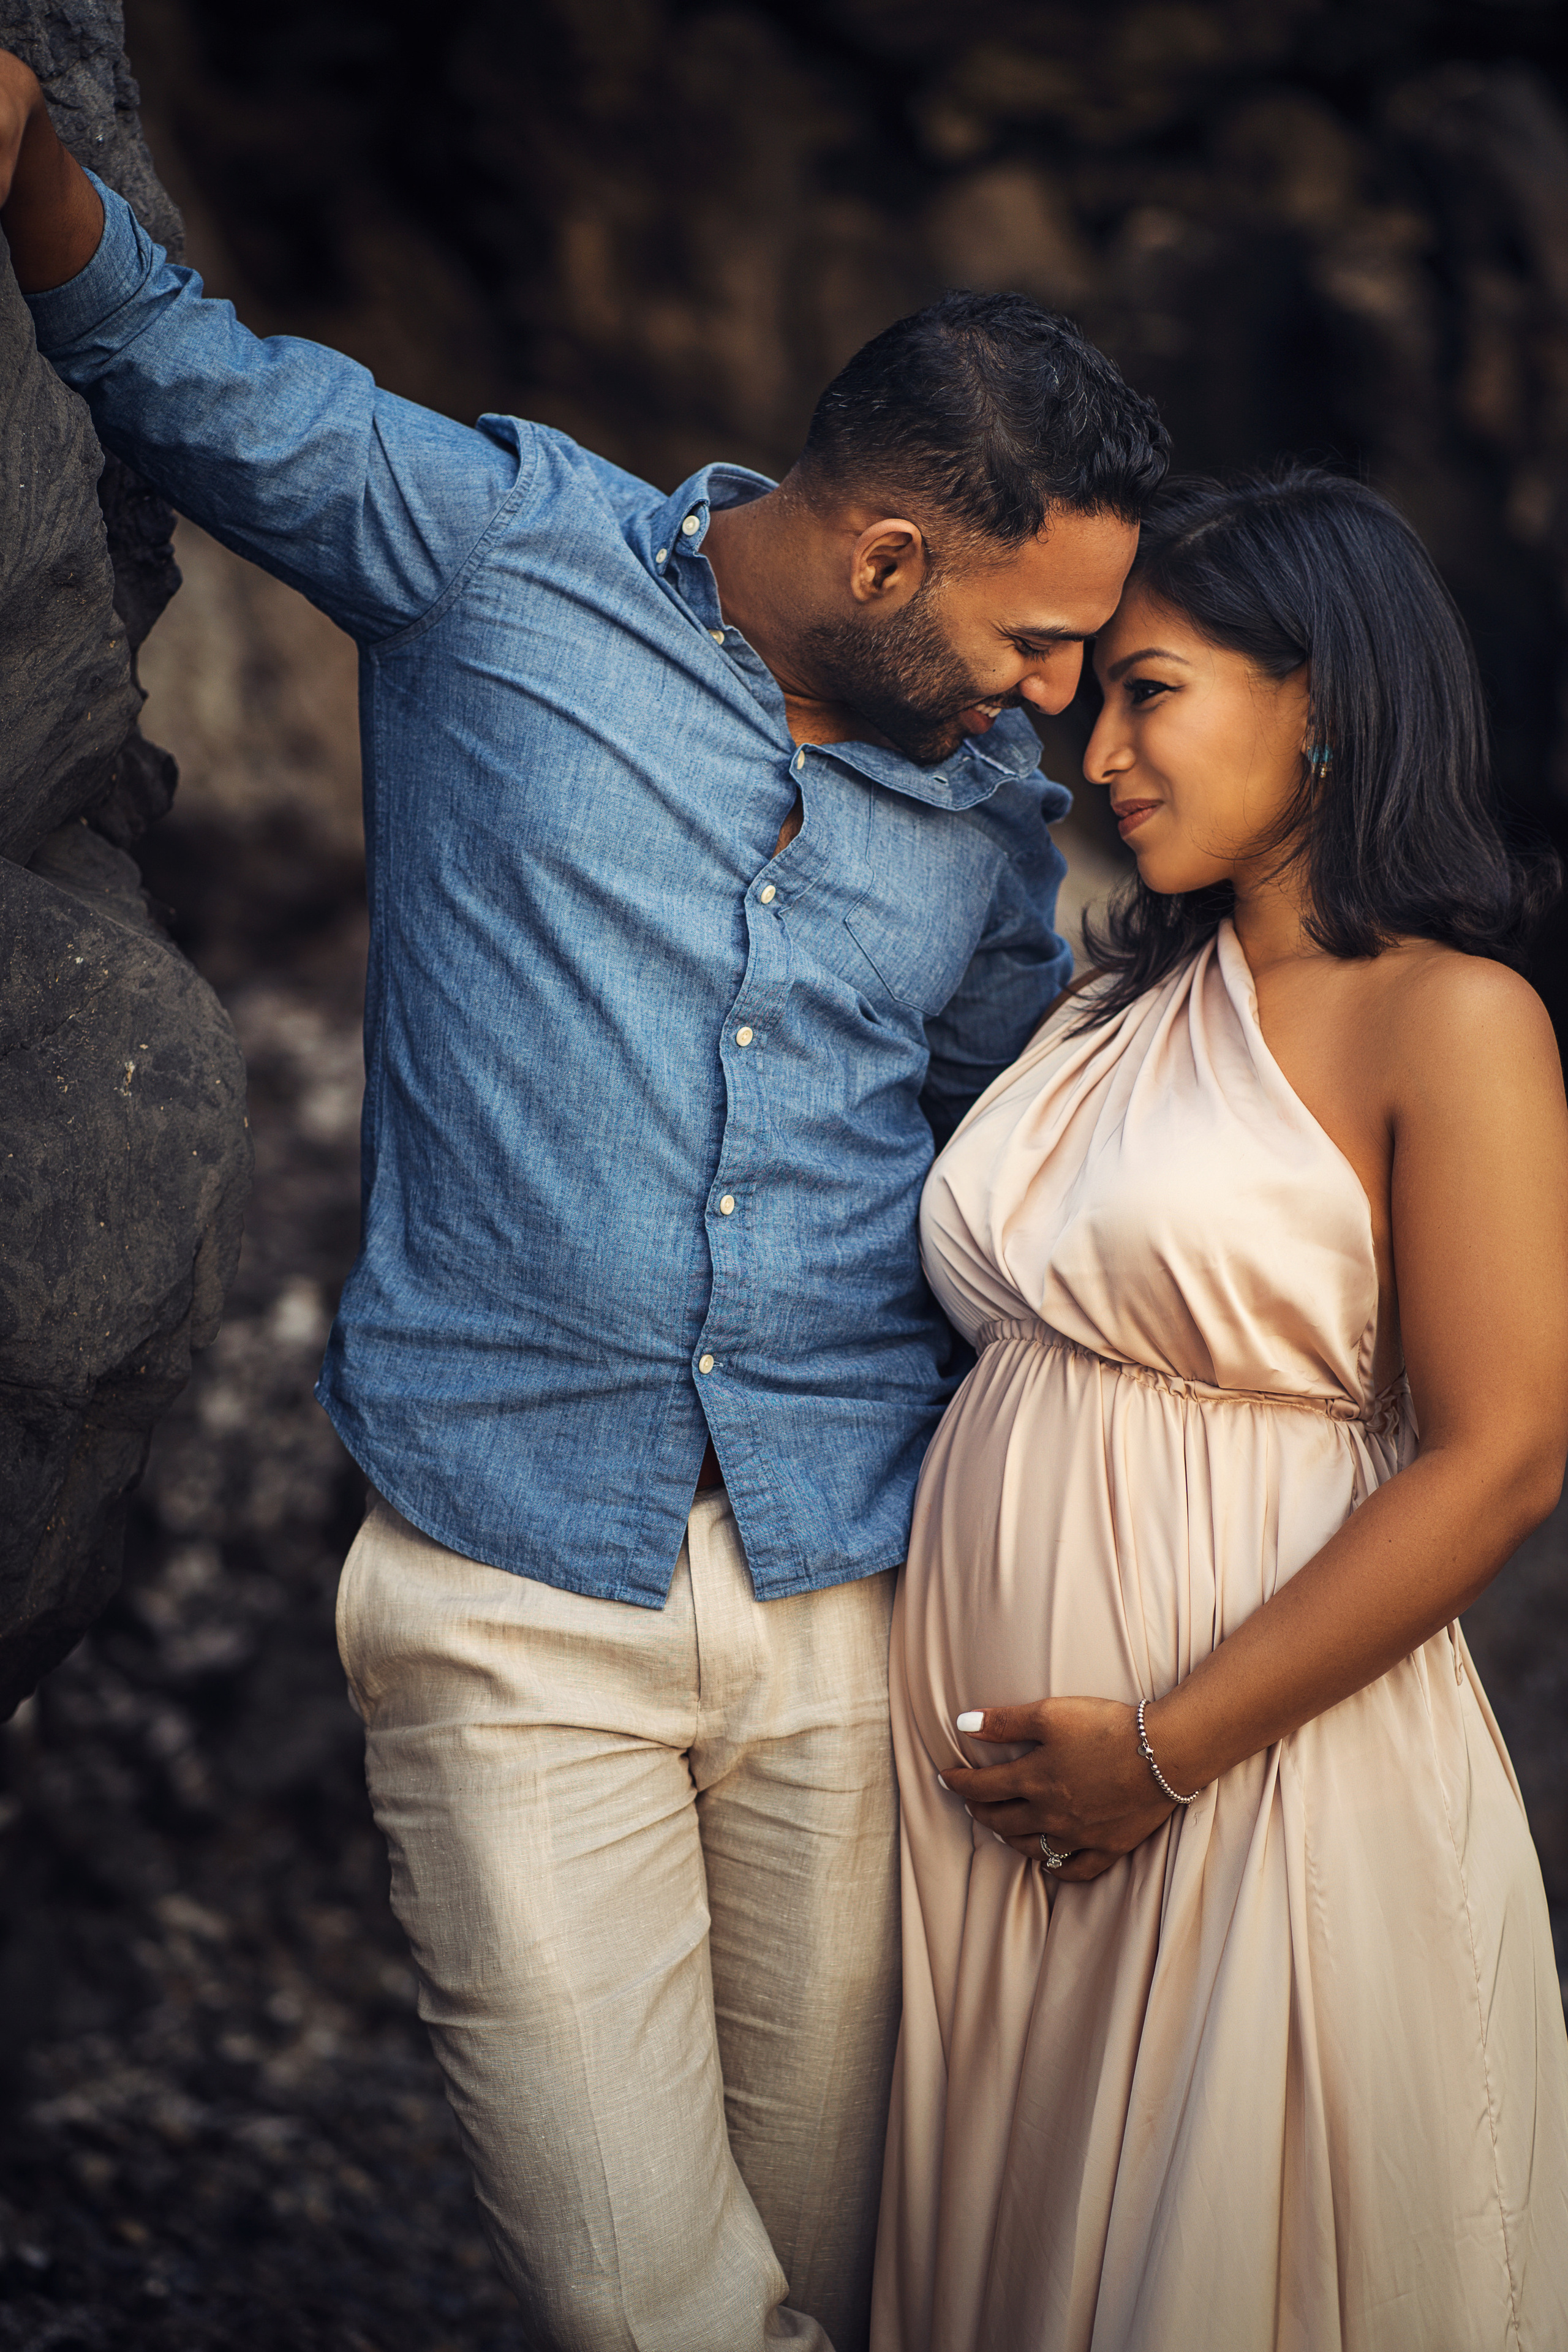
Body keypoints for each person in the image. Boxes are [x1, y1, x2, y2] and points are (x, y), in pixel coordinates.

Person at [0, 51, 1172, 2352]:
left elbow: (1029, 1141)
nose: (1059, 700)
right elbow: (181, 378)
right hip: (504, 1588)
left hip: (862, 1597)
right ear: (887, 555)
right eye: (1035, 639)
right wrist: (31, 154)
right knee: (644, 2301)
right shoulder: (495, 551)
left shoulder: (982, 809)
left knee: (862, 2267)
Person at [873, 465, 1568, 2351]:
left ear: (1320, 700)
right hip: (986, 1790)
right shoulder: (1107, 1002)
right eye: (1093, 696)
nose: (1095, 752)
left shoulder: (1451, 1017)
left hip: (1245, 1763)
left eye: (1147, 692)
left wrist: (1164, 1751)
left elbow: (1504, 1457)